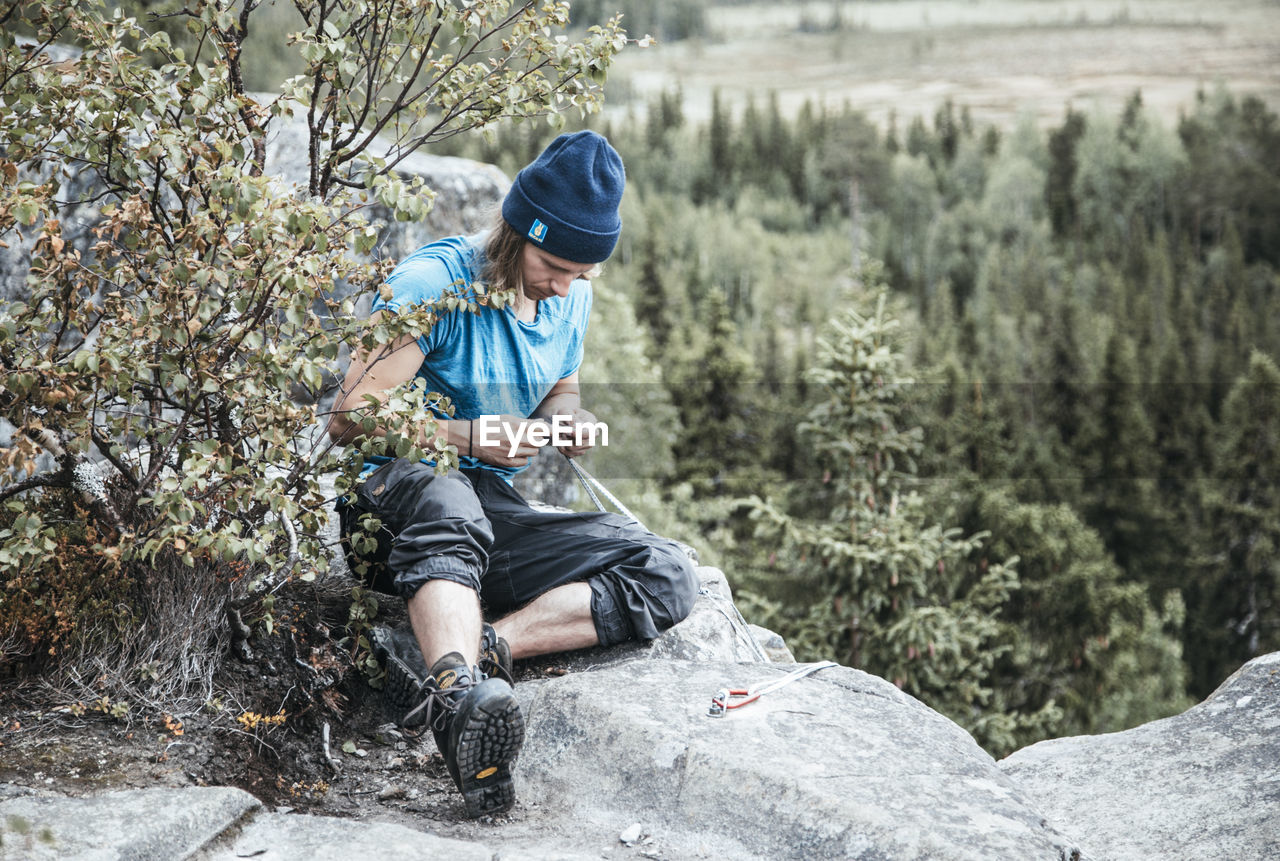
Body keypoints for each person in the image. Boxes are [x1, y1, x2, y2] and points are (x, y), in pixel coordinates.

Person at [326, 130, 699, 819]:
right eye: (554, 265)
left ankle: (490, 650)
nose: (564, 287)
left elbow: (562, 384)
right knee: (453, 502)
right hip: (390, 500)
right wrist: (468, 436)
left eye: (581, 275)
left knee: (666, 570)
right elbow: (350, 416)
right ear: (517, 230)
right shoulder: (433, 284)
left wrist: (569, 420)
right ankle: (456, 698)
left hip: (483, 507)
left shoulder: (569, 296)